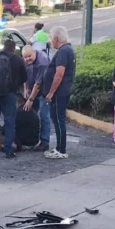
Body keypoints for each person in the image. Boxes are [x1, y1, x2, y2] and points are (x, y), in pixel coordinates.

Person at [0, 37, 28, 159]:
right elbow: (24, 77)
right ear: (14, 49)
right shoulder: (17, 60)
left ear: (3, 47)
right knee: (9, 121)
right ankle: (8, 150)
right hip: (9, 94)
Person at [42, 26, 76, 159]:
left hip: (59, 93)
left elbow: (59, 74)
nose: (50, 41)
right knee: (57, 119)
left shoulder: (63, 51)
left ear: (56, 38)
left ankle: (61, 149)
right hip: (63, 91)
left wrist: (50, 93)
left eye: (51, 38)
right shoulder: (68, 50)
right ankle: (59, 147)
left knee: (58, 119)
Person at [21, 45, 51, 151]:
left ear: (34, 53)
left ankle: (44, 142)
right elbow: (24, 76)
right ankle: (30, 139)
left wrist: (30, 100)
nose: (27, 59)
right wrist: (26, 90)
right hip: (33, 90)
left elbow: (38, 84)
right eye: (25, 57)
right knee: (30, 114)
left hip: (45, 92)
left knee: (44, 116)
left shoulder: (42, 62)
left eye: (29, 56)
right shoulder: (25, 60)